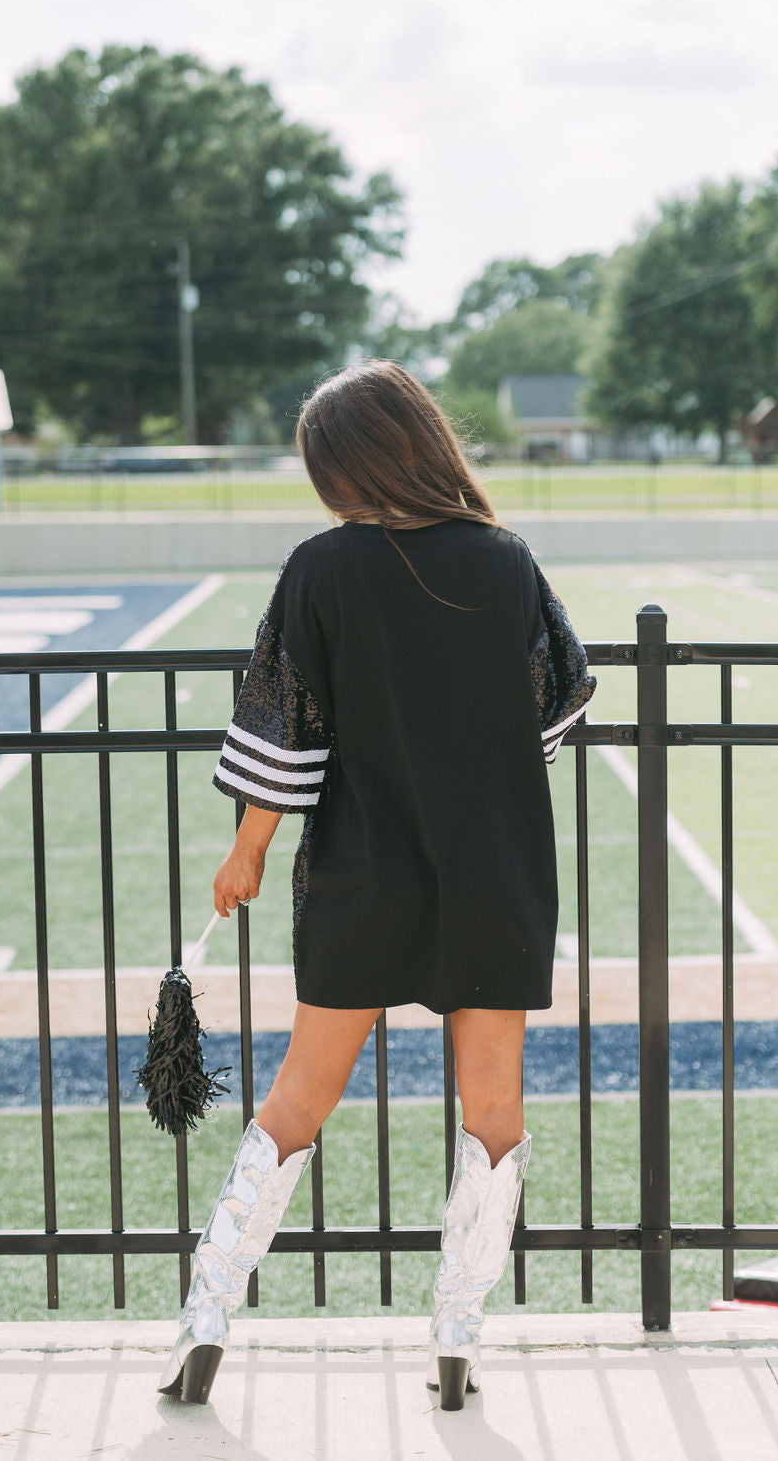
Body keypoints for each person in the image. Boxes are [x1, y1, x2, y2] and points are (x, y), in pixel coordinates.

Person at [157, 360, 596, 1410]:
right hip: (496, 866)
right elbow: (557, 705)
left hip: (360, 869)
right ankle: (455, 1340)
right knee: (492, 1105)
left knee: (299, 1098)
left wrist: (247, 849)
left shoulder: (319, 569)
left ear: (344, 466)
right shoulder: (504, 561)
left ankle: (205, 1322)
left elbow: (284, 731)